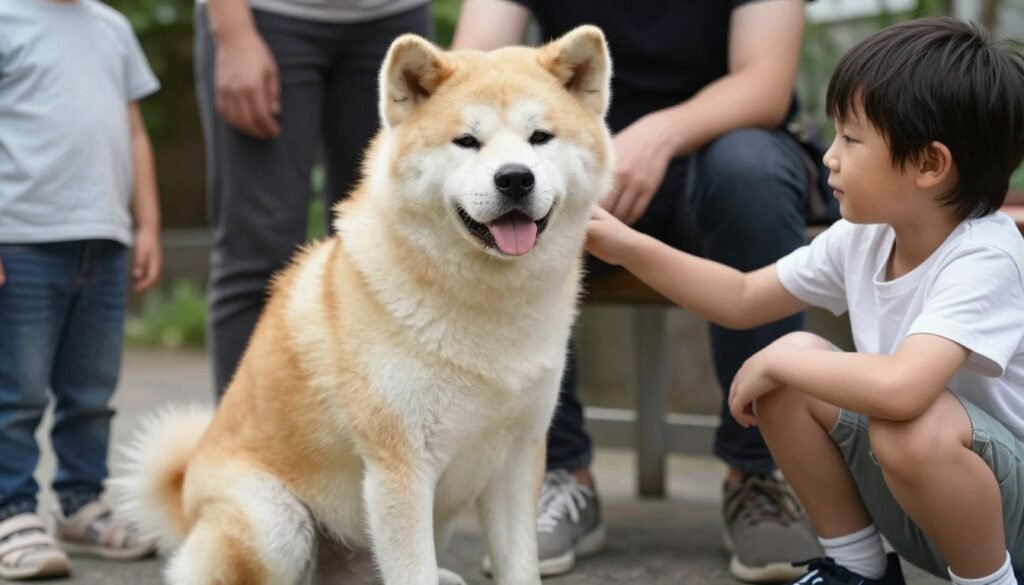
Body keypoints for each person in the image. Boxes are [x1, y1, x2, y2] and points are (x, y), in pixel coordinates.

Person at [586, 15, 1024, 585]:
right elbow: (742, 296)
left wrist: (780, 360)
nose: (829, 157)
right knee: (793, 375)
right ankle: (854, 570)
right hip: (925, 504)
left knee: (900, 418)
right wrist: (625, 246)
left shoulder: (985, 256)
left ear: (928, 164)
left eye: (852, 139)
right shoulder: (866, 236)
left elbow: (903, 387)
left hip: (1007, 519)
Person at [452, 0, 829, 580]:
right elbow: (468, 68)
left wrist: (658, 134)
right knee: (496, 196)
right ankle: (557, 471)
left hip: (719, 159)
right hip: (571, 154)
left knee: (750, 171)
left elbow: (765, 84)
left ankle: (757, 475)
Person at [0, 0, 164, 579]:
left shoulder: (112, 27)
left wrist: (147, 225)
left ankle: (79, 502)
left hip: (104, 239)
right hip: (21, 239)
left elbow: (135, 133)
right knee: (16, 392)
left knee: (92, 391)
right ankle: (11, 509)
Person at [195, 0, 432, 396]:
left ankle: (376, 431)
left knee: (390, 255)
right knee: (259, 256)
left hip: (395, 19)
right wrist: (233, 33)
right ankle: (245, 435)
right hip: (266, 16)